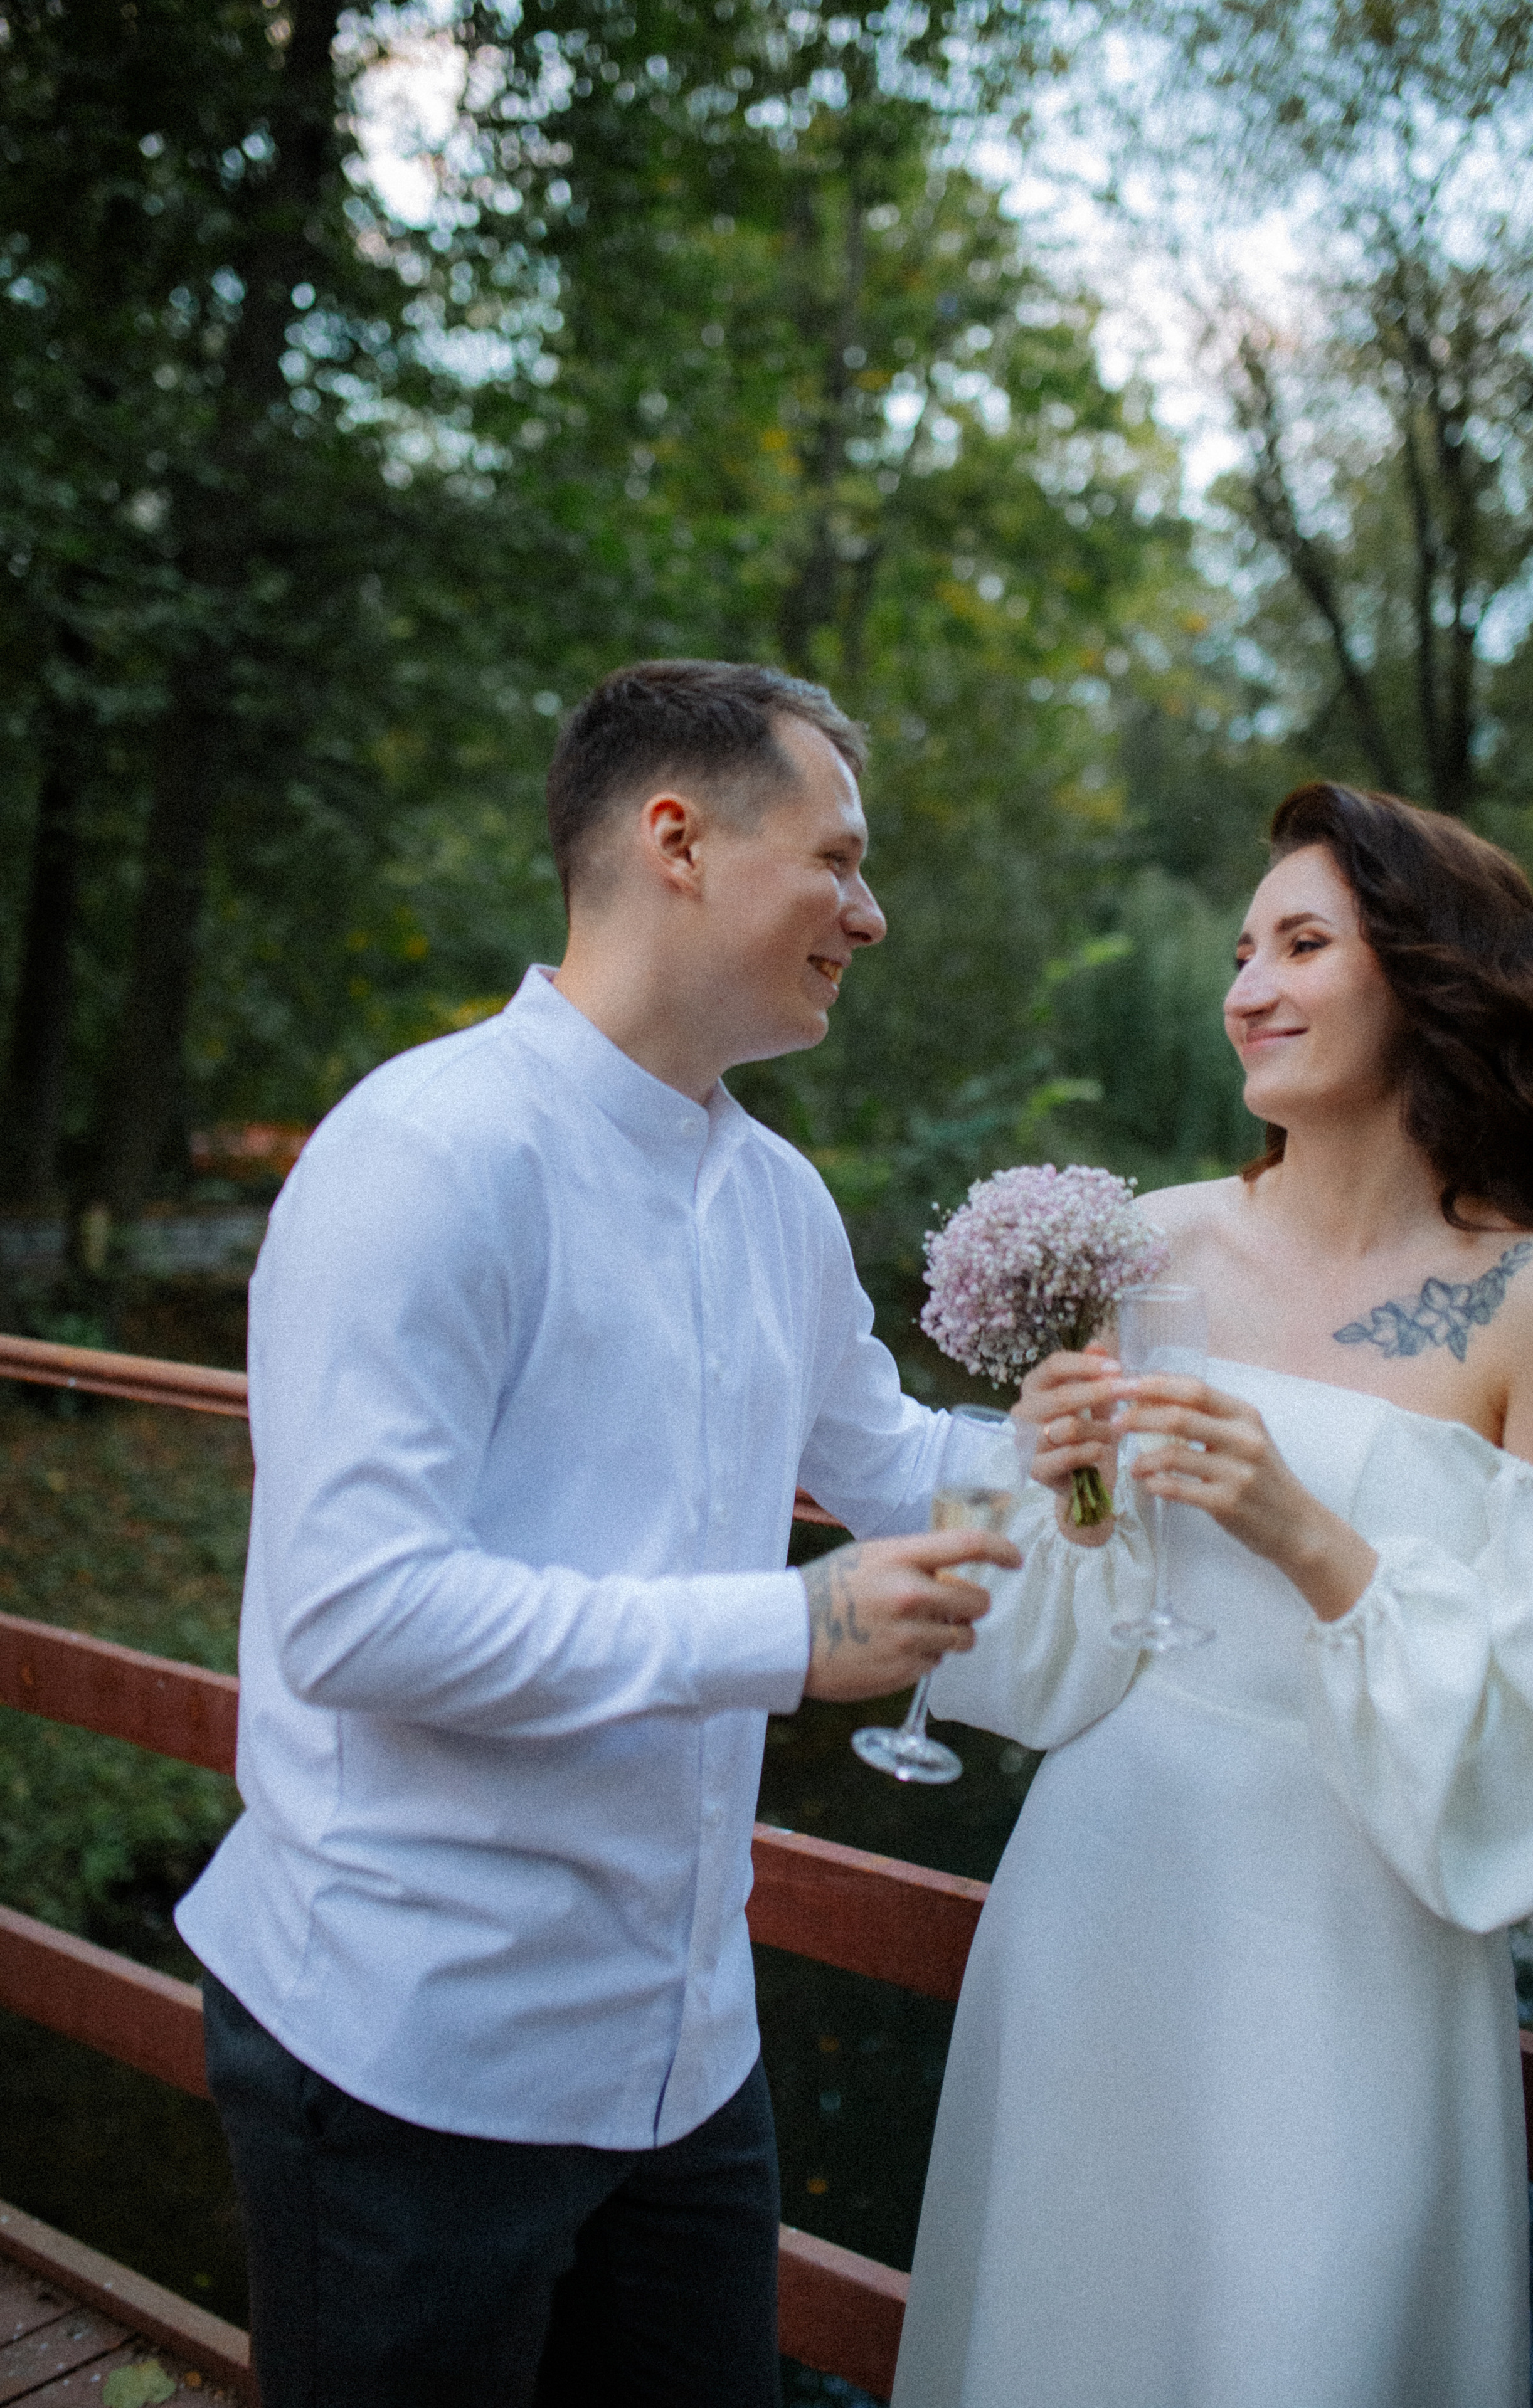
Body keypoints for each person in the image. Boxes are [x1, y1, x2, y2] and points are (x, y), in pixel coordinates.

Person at [174, 658, 1019, 2408]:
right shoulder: (426, 1152)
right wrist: (789, 1635)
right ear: (678, 839)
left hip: (686, 2050)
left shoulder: (779, 1198)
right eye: (842, 860)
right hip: (413, 2046)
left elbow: (896, 1458)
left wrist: (1128, 1454)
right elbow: (356, 1617)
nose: (873, 912)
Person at [892, 781, 1533, 2408]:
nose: (1245, 989)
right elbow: (1062, 1634)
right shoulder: (1146, 1246)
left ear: (1430, 976)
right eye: (1240, 950)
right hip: (1103, 1885)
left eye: (1303, 943)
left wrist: (1309, 1534)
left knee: (1306, 2335)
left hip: (1362, 1940)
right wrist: (1062, 1478)